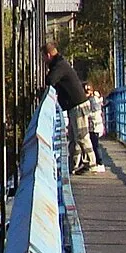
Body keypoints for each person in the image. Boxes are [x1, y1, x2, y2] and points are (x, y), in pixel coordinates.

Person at [44, 42, 94, 173]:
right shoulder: (60, 64)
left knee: (82, 136)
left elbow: (50, 80)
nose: (43, 60)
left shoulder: (60, 66)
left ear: (48, 55)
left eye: (44, 58)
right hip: (75, 105)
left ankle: (92, 164)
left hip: (78, 105)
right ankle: (74, 165)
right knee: (74, 137)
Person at [84, 86, 108, 173]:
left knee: (95, 145)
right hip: (96, 126)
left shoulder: (92, 100)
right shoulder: (96, 99)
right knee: (94, 145)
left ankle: (100, 163)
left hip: (94, 126)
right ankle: (96, 163)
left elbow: (91, 113)